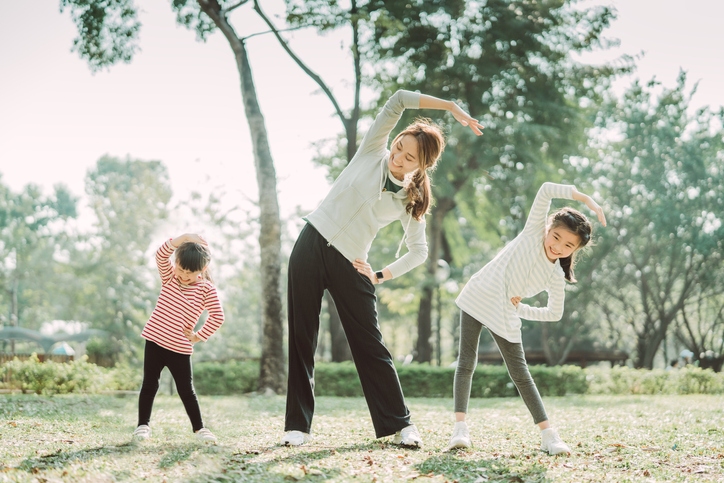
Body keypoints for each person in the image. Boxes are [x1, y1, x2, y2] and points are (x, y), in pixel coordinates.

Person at [282, 89, 484, 447]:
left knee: (370, 345)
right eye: (400, 148)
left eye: (409, 158)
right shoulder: (372, 151)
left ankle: (401, 424)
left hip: (353, 262)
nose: (398, 158)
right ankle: (297, 427)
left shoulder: (411, 199)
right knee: (301, 338)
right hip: (311, 244)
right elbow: (399, 100)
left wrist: (380, 275)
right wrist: (450, 106)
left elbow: (419, 251)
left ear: (422, 167)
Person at [448, 182, 606, 455]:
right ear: (547, 228)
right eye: (556, 237)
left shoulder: (556, 275)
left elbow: (554, 313)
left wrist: (521, 310)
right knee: (466, 363)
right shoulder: (533, 232)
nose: (559, 246)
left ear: (575, 250)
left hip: (506, 311)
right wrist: (586, 199)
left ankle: (548, 435)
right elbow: (545, 189)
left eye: (568, 245)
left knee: (521, 374)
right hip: (479, 294)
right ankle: (459, 429)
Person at [133, 234, 225, 443]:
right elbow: (160, 254)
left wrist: (198, 336)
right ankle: (142, 426)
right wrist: (183, 239)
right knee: (149, 385)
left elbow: (218, 316)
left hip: (179, 349)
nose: (183, 275)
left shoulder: (205, 289)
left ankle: (200, 429)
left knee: (186, 390)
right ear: (176, 264)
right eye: (181, 269)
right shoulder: (169, 278)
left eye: (190, 272)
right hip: (154, 342)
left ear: (202, 270)